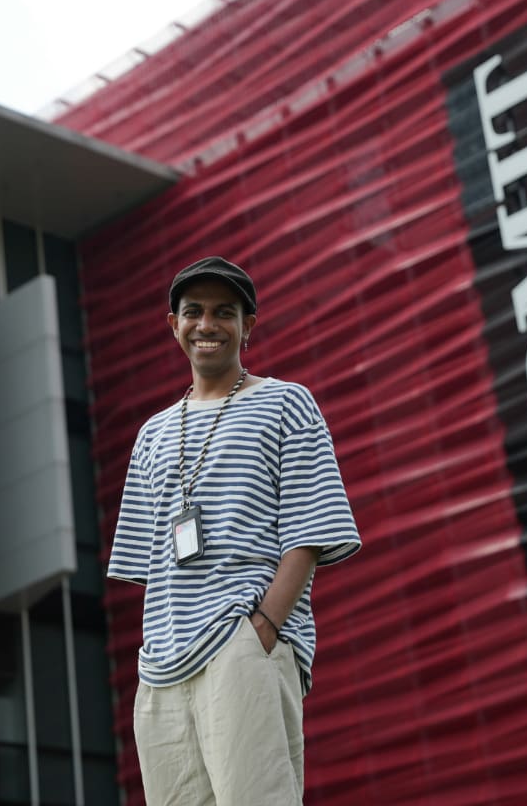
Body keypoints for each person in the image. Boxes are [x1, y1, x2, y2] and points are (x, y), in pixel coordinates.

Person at [108, 256, 361, 806]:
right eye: (193, 312)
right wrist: (156, 646)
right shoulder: (151, 434)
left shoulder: (286, 403)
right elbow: (147, 564)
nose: (208, 325)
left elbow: (310, 529)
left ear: (250, 324)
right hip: (162, 667)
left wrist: (263, 626)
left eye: (225, 312)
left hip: (242, 642)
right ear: (171, 324)